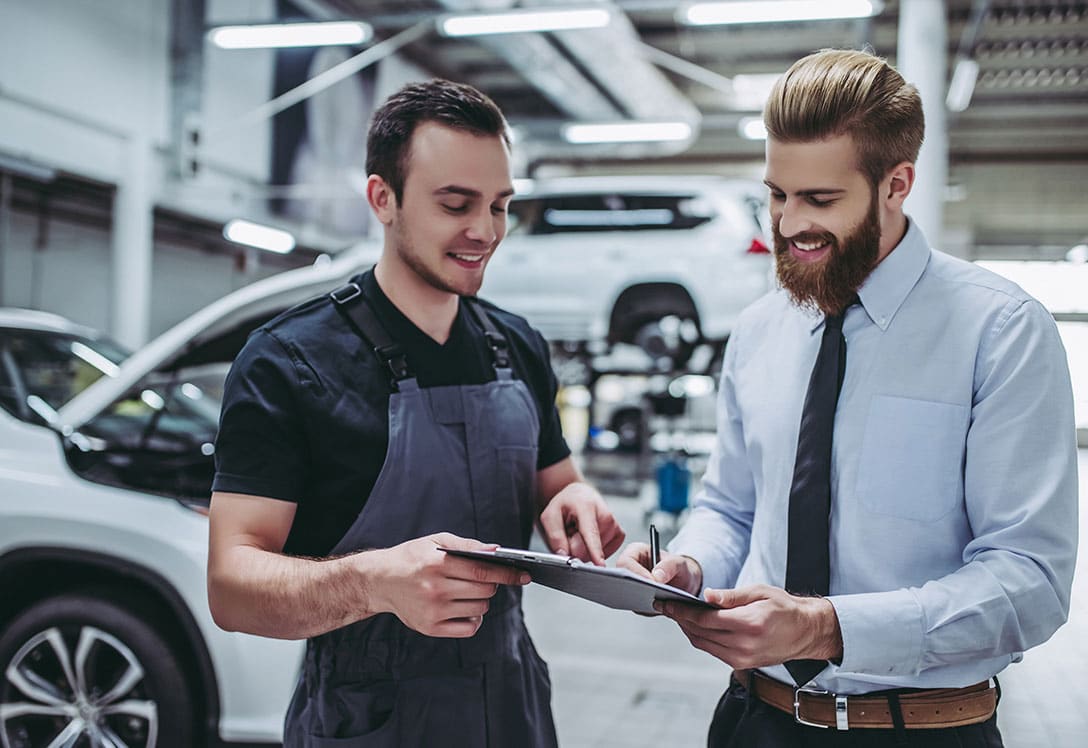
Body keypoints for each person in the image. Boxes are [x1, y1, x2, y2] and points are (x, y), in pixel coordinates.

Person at [619, 49, 1077, 747]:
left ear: (897, 185)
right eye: (777, 193)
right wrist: (690, 564)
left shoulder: (1001, 332)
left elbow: (1029, 582)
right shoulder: (759, 329)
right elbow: (731, 506)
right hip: (753, 722)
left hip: (916, 731)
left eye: (820, 200)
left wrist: (825, 627)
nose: (788, 223)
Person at [207, 78, 625, 747]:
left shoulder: (517, 344)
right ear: (383, 199)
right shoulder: (289, 361)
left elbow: (557, 481)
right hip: (366, 718)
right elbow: (233, 585)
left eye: (499, 205)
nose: (485, 231)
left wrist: (575, 502)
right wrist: (373, 583)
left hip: (511, 705)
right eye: (456, 204)